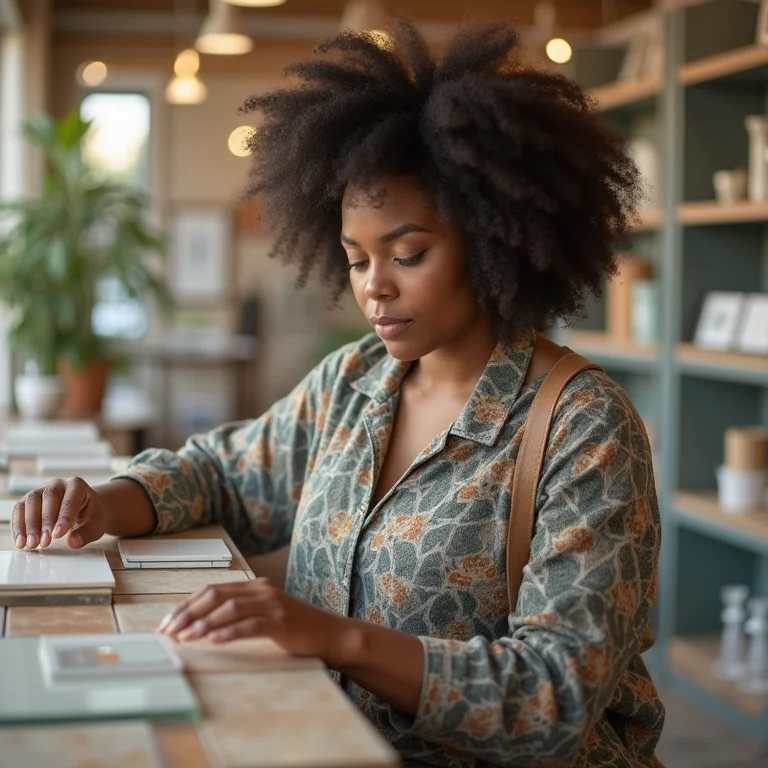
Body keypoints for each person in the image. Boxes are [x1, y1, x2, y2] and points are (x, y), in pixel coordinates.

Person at [12, 17, 664, 767]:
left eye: (408, 253)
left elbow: (557, 693)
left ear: (497, 240)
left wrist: (331, 636)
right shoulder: (356, 381)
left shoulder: (582, 426)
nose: (375, 288)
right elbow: (224, 472)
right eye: (355, 260)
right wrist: (101, 501)